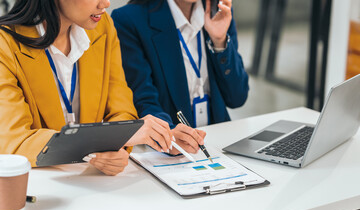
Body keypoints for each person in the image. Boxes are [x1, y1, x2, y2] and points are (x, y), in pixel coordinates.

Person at [0, 0, 202, 176]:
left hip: (96, 185)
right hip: (41, 188)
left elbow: (121, 109)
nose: (105, 3)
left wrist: (117, 147)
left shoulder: (102, 27)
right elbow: (15, 141)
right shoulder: (5, 44)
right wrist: (101, 142)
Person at [111, 0, 249, 144]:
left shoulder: (219, 11)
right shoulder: (129, 19)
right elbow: (143, 100)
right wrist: (168, 135)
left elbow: (237, 97)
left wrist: (220, 42)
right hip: (169, 152)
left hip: (219, 141)